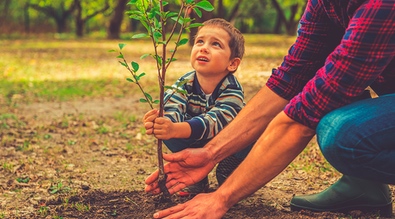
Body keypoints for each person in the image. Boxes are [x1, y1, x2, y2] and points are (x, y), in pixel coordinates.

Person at [144, 0, 395, 218]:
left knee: (342, 134)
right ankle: (364, 185)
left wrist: (222, 198)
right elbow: (291, 78)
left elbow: (305, 115)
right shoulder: (324, 4)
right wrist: (210, 153)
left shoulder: (381, 6)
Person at [143, 18, 252, 196]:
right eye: (199, 41)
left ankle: (233, 169)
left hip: (230, 142)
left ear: (232, 63)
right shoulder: (185, 82)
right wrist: (163, 123)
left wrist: (177, 128)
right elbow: (172, 105)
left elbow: (215, 122)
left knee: (244, 150)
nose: (203, 47)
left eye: (215, 44)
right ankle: (197, 178)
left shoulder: (232, 89)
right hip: (197, 138)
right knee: (170, 134)